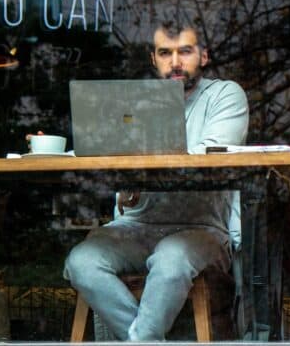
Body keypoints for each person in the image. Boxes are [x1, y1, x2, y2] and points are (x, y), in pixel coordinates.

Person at [63, 24, 249, 341]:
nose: (175, 62)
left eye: (184, 51)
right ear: (153, 58)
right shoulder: (135, 104)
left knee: (171, 258)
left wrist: (139, 167)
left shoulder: (225, 94)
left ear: (204, 55)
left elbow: (210, 159)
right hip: (138, 225)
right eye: (165, 53)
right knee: (81, 261)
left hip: (202, 228)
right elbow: (110, 155)